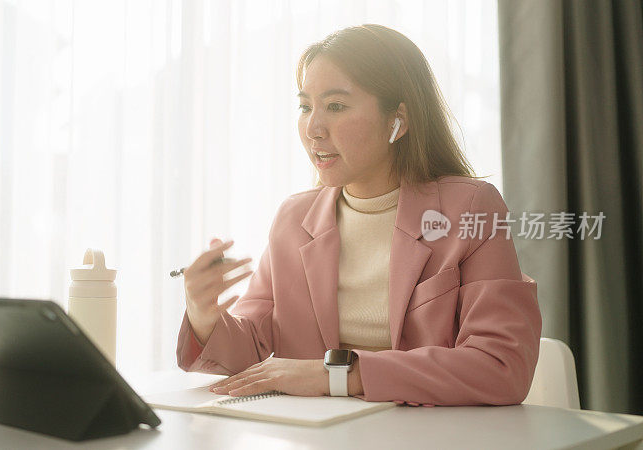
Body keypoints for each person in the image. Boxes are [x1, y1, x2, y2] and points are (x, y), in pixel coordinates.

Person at [176, 24, 542, 406]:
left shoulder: (471, 208)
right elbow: (251, 344)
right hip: (322, 434)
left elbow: (501, 367)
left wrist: (337, 375)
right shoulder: (294, 218)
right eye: (305, 106)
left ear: (398, 120)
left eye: (335, 106)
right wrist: (203, 314)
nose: (313, 128)